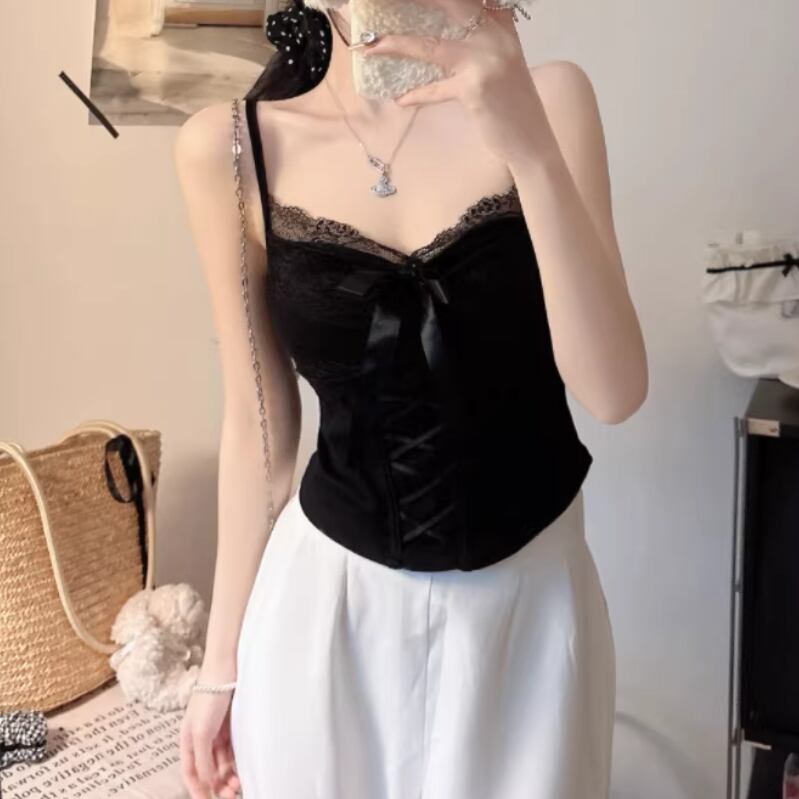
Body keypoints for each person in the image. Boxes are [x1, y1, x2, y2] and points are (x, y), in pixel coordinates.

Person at [174, 0, 648, 795]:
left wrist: (526, 143)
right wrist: (219, 667)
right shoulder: (227, 148)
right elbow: (258, 425)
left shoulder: (551, 97)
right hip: (327, 612)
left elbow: (615, 390)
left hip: (530, 614)